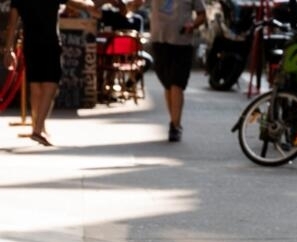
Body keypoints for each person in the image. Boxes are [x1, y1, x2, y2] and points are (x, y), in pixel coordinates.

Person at [3, 0, 101, 146]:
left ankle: (38, 126)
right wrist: (90, 6)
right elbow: (76, 3)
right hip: (50, 43)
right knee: (51, 85)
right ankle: (37, 130)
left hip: (30, 44)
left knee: (35, 86)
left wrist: (8, 49)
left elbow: (12, 24)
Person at [125, 0, 206, 142]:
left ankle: (175, 125)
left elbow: (202, 15)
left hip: (181, 42)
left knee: (177, 83)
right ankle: (174, 122)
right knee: (168, 84)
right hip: (159, 41)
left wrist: (192, 25)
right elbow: (137, 3)